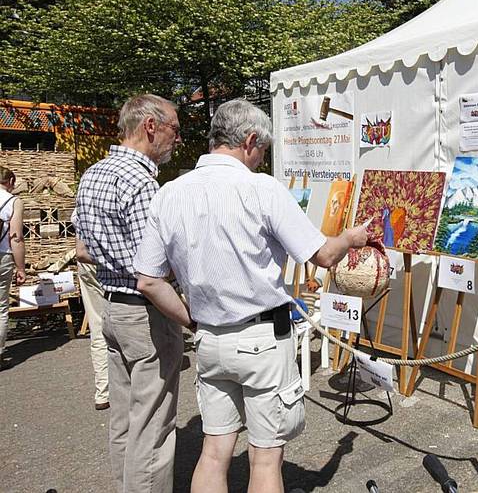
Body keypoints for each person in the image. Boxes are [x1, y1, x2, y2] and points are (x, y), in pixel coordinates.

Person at [134, 99, 369, 493]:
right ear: (250, 139)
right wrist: (352, 237)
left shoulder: (169, 193)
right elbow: (325, 255)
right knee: (265, 456)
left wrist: (192, 320)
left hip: (209, 339)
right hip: (261, 340)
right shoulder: (261, 189)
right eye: (263, 150)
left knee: (214, 452)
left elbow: (148, 280)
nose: (262, 159)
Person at [74, 93, 187, 493]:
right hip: (145, 313)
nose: (179, 137)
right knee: (152, 427)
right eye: (175, 128)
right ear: (150, 127)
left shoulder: (93, 174)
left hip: (113, 308)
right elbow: (151, 271)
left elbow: (82, 248)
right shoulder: (140, 182)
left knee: (124, 417)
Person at [0, 167, 26, 368]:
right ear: (9, 181)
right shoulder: (13, 201)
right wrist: (21, 268)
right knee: (0, 308)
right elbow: (15, 237)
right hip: (3, 256)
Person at [77, 260, 110, 410]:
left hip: (87, 261)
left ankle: (103, 393)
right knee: (127, 321)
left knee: (97, 328)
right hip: (112, 261)